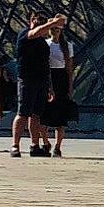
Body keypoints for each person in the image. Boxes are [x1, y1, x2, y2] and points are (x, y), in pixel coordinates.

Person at [12, 15, 53, 157]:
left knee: (36, 115)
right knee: (22, 113)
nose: (40, 24)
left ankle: (34, 145)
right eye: (37, 20)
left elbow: (46, 64)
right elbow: (34, 33)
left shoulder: (43, 43)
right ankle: (15, 146)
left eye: (43, 21)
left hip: (41, 81)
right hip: (27, 79)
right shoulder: (24, 34)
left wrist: (49, 86)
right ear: (30, 21)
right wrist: (52, 23)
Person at [43, 19, 75, 158]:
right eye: (53, 28)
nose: (56, 30)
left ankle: (57, 147)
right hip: (48, 77)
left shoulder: (67, 46)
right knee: (44, 115)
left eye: (58, 28)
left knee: (61, 117)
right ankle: (45, 142)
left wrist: (70, 87)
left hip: (61, 79)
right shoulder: (45, 44)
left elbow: (69, 68)